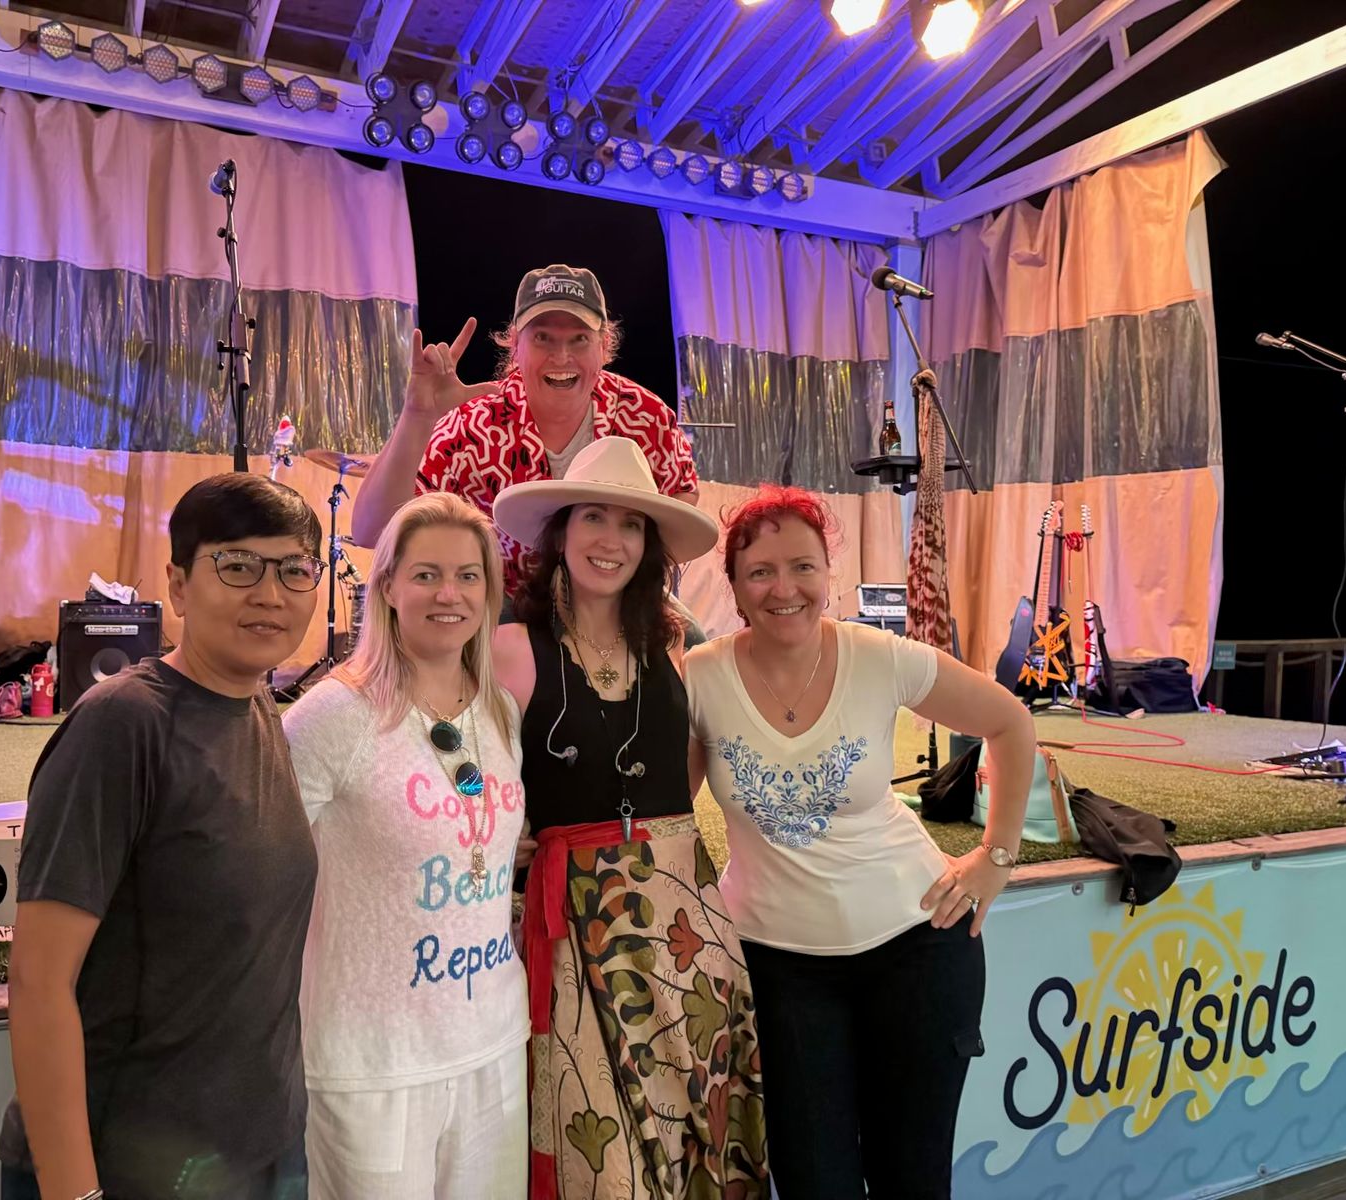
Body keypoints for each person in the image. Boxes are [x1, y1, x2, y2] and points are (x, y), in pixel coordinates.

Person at [684, 485, 1036, 1200]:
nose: (784, 588)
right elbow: (663, 811)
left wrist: (996, 857)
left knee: (912, 1179)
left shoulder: (879, 657)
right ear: (735, 588)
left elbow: (1010, 722)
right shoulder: (701, 677)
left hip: (918, 947)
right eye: (761, 572)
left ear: (828, 573)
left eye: (802, 567)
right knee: (816, 1181)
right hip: (779, 967)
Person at [0, 473, 323, 1200]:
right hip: (129, 1165)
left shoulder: (258, 706)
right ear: (177, 585)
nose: (270, 594)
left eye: (294, 570)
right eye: (237, 566)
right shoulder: (123, 723)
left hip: (255, 1149)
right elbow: (39, 980)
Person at [490, 437, 768, 1200]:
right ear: (561, 532)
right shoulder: (511, 648)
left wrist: (654, 843)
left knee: (699, 1122)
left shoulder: (672, 641)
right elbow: (471, 772)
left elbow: (688, 762)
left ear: (649, 546)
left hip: (687, 928)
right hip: (575, 926)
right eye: (593, 517)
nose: (610, 539)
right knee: (602, 1143)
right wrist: (517, 843)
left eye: (631, 524)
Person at [282, 492, 529, 1199]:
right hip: (375, 1066)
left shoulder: (497, 709)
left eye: (468, 575)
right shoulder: (335, 715)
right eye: (427, 575)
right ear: (388, 586)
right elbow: (261, 870)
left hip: (490, 1045)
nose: (450, 594)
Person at [351, 264, 700, 603]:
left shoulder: (645, 416)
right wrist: (416, 415)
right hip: (505, 612)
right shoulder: (474, 425)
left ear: (604, 345)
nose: (561, 357)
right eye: (543, 338)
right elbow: (372, 531)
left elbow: (683, 490)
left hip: (618, 607)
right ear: (515, 345)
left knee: (690, 635)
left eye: (579, 339)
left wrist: (631, 574)